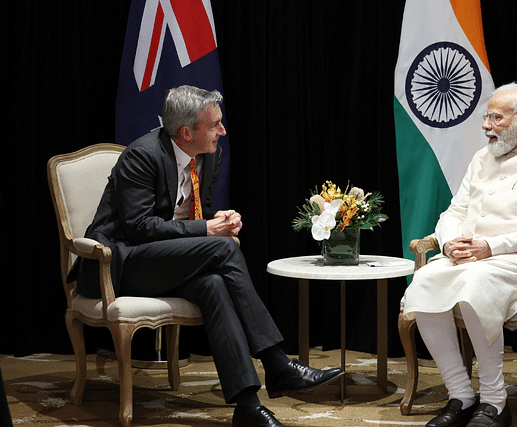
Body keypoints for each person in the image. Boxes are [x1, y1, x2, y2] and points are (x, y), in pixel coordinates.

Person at [71, 85, 343, 427]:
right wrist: (208, 232)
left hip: (166, 259)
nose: (222, 130)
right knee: (223, 248)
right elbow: (139, 227)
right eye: (215, 124)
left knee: (213, 284)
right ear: (186, 132)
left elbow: (196, 215)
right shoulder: (142, 155)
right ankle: (276, 363)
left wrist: (218, 220)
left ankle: (247, 405)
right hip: (118, 264)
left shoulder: (209, 156)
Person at [402, 83, 517, 427]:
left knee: (474, 283)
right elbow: (453, 212)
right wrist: (449, 241)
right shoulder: (483, 157)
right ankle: (461, 395)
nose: (486, 125)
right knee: (423, 281)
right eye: (487, 117)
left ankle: (496, 402)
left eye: (495, 118)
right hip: (470, 258)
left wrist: (492, 247)